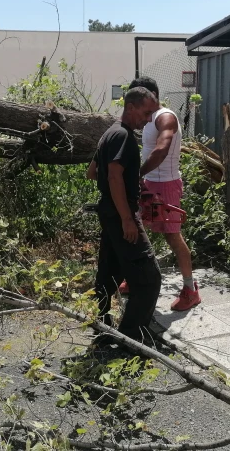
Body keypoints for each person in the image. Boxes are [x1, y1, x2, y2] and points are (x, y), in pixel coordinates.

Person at [85, 86, 162, 345]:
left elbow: (93, 172)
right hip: (120, 215)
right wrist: (127, 218)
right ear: (131, 107)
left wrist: (125, 186)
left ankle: (102, 323)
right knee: (148, 278)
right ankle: (133, 337)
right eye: (146, 112)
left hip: (108, 211)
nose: (149, 118)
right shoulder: (123, 136)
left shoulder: (109, 133)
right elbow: (114, 175)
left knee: (111, 270)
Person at [120, 76, 202, 312]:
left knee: (172, 237)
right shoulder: (147, 119)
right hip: (149, 183)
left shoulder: (165, 116)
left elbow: (161, 150)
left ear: (150, 95)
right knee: (136, 231)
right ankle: (134, 278)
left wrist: (138, 174)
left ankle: (190, 290)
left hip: (165, 186)